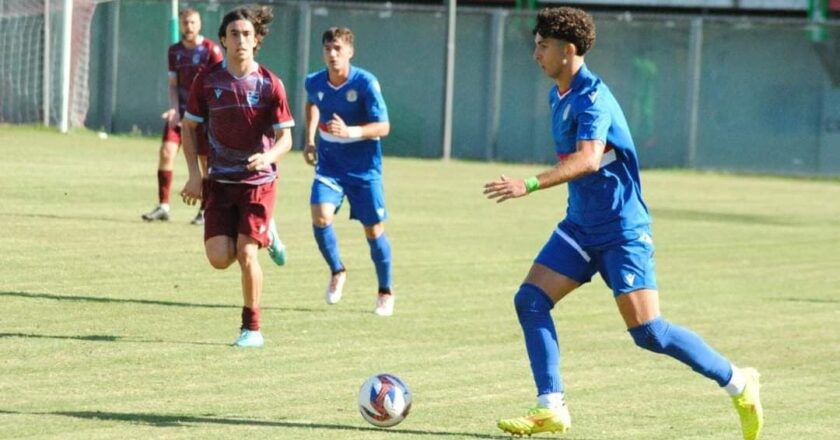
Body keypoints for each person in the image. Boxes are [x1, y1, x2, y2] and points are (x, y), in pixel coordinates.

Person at [484, 7, 763, 439]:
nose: (535, 54)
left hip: (621, 229)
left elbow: (590, 157)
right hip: (580, 226)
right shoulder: (557, 94)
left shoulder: (592, 97)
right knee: (530, 300)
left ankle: (739, 382)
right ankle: (551, 407)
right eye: (535, 45)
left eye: (543, 46)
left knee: (649, 332)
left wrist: (530, 184)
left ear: (568, 50)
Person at [179, 5, 291, 348]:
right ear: (223, 41)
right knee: (219, 258)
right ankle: (268, 231)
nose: (240, 40)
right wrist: (194, 176)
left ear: (256, 40)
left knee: (246, 253)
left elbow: (286, 138)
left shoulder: (270, 83)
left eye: (246, 34)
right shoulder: (208, 80)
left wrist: (268, 156)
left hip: (258, 183)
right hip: (220, 182)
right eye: (234, 34)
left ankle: (252, 329)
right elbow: (189, 127)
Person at [303, 27, 394, 316]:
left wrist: (351, 131)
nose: (332, 54)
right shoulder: (314, 81)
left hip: (364, 170)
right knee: (320, 214)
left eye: (338, 49)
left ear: (350, 52)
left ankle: (385, 291)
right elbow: (312, 103)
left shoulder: (366, 83)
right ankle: (337, 270)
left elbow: (384, 127)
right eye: (328, 49)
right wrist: (309, 138)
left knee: (374, 231)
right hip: (330, 165)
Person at [142, 8, 223, 224]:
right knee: (166, 152)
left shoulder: (211, 50)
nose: (189, 26)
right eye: (185, 23)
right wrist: (174, 109)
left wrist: (212, 113)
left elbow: (220, 83)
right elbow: (172, 85)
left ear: (200, 24)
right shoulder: (174, 51)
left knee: (205, 162)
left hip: (204, 118)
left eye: (193, 22)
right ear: (180, 24)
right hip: (181, 115)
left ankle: (205, 210)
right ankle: (163, 206)